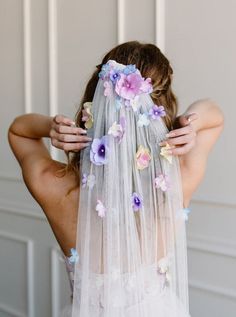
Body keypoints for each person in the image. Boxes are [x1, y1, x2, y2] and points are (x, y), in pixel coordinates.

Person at [8, 41, 224, 316]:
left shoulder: (56, 187)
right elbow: (215, 114)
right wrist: (189, 123)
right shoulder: (177, 181)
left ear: (94, 104)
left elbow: (18, 131)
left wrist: (52, 127)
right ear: (159, 112)